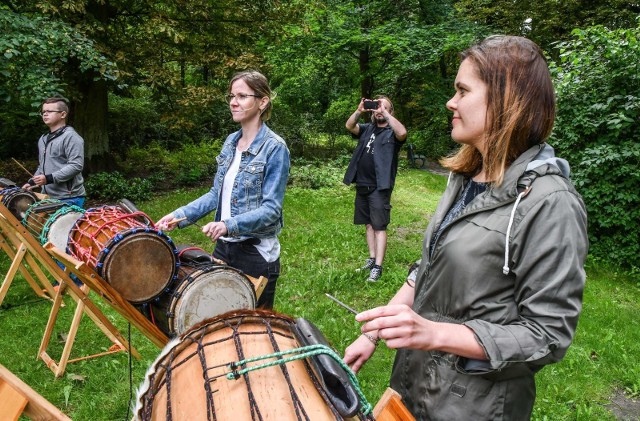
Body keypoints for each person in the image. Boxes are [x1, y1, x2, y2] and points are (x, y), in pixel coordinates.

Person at [343, 35, 588, 420]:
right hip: (413, 384)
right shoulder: (464, 177)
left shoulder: (550, 202)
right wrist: (372, 333)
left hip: (474, 405)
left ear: (507, 100)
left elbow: (548, 335)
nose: (451, 102)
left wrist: (434, 334)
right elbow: (427, 267)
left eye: (462, 90)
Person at [157, 70, 290, 309]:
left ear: (262, 101)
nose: (233, 102)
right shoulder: (231, 142)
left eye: (241, 96)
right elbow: (214, 195)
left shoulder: (274, 148)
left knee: (254, 329)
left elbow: (271, 210)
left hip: (256, 253)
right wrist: (179, 215)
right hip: (224, 248)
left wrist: (228, 224)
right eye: (231, 95)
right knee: (222, 318)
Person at [343, 96, 407, 282]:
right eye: (377, 107)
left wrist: (385, 114)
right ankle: (371, 259)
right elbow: (349, 126)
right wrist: (359, 110)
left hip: (380, 187)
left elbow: (402, 132)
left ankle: (378, 267)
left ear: (390, 111)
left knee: (379, 226)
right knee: (368, 224)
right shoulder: (367, 129)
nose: (379, 110)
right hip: (362, 184)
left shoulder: (392, 134)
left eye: (384, 107)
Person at [22, 96, 86, 208]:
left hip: (69, 198)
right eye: (43, 112)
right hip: (47, 197)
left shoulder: (71, 137)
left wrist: (49, 178)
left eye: (49, 111)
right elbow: (43, 166)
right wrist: (32, 183)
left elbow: (76, 166)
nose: (45, 114)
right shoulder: (43, 139)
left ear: (63, 114)